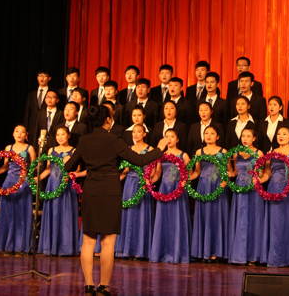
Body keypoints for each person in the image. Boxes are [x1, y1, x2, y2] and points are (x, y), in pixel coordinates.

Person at [63, 105, 167, 296]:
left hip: (91, 191)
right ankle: (103, 286)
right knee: (108, 243)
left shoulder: (84, 140)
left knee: (88, 241)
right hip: (110, 192)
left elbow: (68, 166)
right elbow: (140, 160)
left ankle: (88, 286)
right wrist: (160, 147)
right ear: (108, 120)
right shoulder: (114, 139)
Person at [260, 127, 289, 267]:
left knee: (288, 221)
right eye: (279, 134)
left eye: (284, 134)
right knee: (275, 223)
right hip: (273, 189)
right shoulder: (271, 153)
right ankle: (274, 256)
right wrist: (258, 180)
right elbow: (267, 173)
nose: (281, 136)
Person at [149, 129, 192, 264]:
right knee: (163, 219)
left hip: (178, 189)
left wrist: (184, 181)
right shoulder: (161, 155)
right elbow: (158, 173)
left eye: (172, 136)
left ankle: (178, 253)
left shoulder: (183, 155)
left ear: (177, 139)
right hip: (164, 189)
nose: (169, 139)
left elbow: (190, 173)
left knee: (177, 218)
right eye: (166, 136)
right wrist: (149, 183)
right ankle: (162, 252)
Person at [190, 126, 232, 262]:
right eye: (206, 133)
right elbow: (197, 171)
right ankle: (204, 251)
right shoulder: (199, 151)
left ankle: (218, 251)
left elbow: (230, 171)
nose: (208, 135)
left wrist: (225, 180)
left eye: (212, 133)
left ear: (217, 136)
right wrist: (186, 178)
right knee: (204, 216)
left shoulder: (223, 152)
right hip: (203, 186)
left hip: (218, 186)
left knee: (217, 216)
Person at [115, 124, 157, 260]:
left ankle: (141, 250)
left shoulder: (150, 149)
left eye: (139, 132)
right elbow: (126, 169)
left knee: (142, 214)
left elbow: (153, 170)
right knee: (128, 215)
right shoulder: (129, 149)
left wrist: (147, 182)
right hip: (129, 184)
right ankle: (126, 249)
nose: (136, 134)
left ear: (144, 134)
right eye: (134, 132)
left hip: (143, 184)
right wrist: (115, 179)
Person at [0, 125, 36, 255]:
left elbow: (34, 165)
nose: (19, 134)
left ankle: (20, 246)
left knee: (22, 214)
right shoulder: (8, 148)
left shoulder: (30, 148)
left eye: (22, 132)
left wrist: (27, 176)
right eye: (17, 131)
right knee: (8, 213)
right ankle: (7, 245)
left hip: (23, 183)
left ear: (26, 135)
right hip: (9, 182)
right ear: (13, 133)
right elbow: (5, 166)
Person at [38, 126, 80, 256]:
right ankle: (51, 246)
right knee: (53, 214)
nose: (60, 137)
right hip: (52, 184)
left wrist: (70, 173)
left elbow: (77, 169)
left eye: (63, 134)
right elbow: (48, 169)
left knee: (66, 214)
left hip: (66, 185)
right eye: (58, 135)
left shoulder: (74, 150)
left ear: (68, 135)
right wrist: (37, 178)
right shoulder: (51, 150)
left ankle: (65, 248)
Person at [228, 127, 266, 265]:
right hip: (239, 188)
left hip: (253, 189)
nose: (245, 138)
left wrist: (257, 178)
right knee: (240, 219)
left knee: (254, 218)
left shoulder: (258, 153)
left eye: (248, 136)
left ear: (254, 138)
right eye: (243, 136)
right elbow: (235, 172)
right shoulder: (236, 153)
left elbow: (261, 173)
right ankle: (239, 255)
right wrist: (227, 174)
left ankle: (253, 255)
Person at [24, 69, 51, 148]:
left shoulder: (52, 93)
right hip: (32, 128)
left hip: (46, 126)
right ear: (37, 78)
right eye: (40, 75)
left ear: (49, 78)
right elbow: (27, 113)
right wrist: (26, 130)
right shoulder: (31, 94)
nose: (42, 78)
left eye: (44, 75)